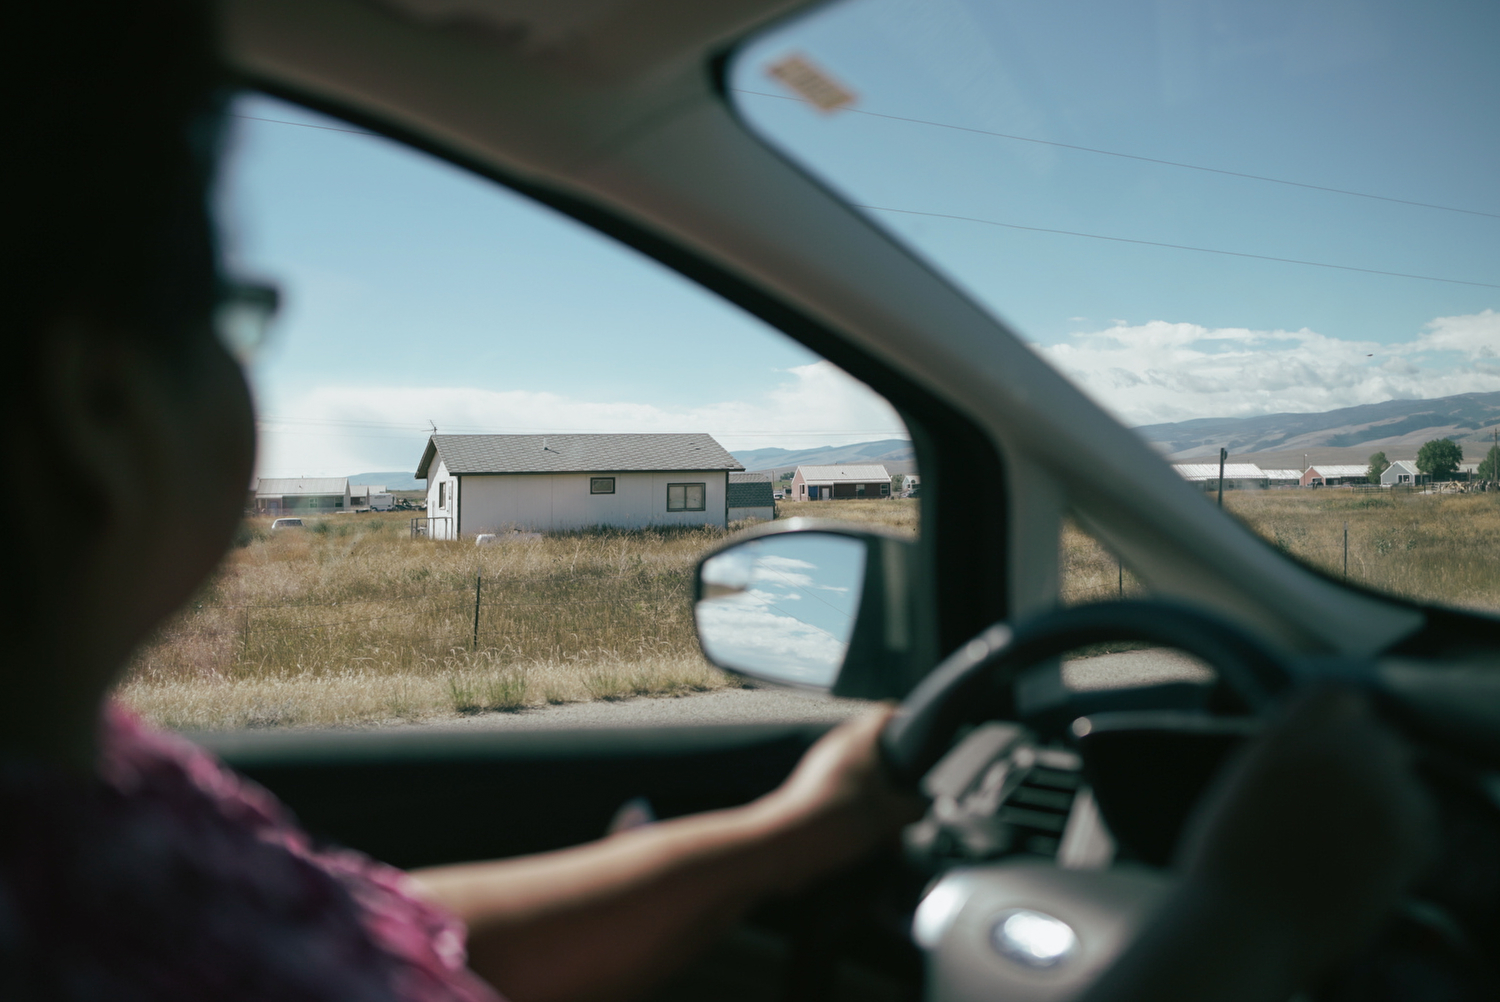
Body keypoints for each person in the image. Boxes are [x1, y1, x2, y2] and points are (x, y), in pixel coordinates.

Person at [0, 2, 1432, 1000]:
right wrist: (1244, 928)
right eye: (234, 319)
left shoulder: (90, 808)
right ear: (100, 406)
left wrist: (778, 839)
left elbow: (374, 937)